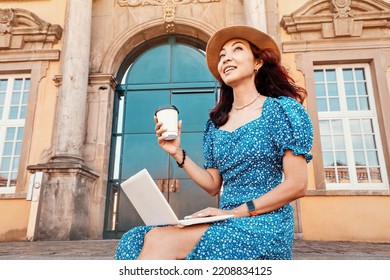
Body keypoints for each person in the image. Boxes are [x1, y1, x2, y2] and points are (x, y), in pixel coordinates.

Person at [115, 25, 313, 260]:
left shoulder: (281, 110)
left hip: (264, 222)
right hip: (224, 218)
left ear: (258, 61)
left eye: (237, 50)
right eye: (222, 56)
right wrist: (178, 153)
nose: (226, 58)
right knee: (135, 239)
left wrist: (238, 212)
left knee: (162, 240)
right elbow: (212, 185)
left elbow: (297, 184)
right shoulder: (216, 124)